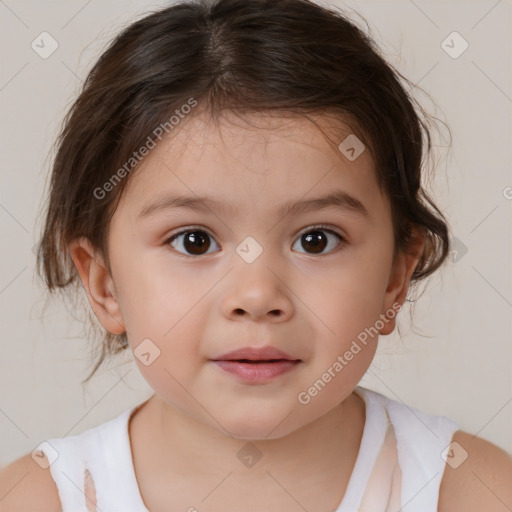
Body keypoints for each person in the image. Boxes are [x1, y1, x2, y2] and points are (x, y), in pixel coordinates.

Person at [1, 0, 511, 510]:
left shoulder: (476, 492)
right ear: (104, 283)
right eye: (194, 241)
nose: (257, 296)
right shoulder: (36, 499)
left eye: (317, 239)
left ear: (395, 278)